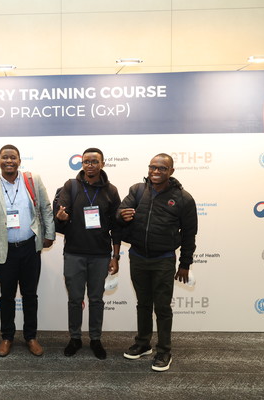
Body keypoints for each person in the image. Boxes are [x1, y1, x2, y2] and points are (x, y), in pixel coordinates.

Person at [117, 153, 198, 372]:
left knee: (162, 307)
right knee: (143, 304)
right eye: (152, 167)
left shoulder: (183, 198)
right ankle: (143, 343)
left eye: (162, 168)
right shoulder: (137, 190)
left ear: (171, 171)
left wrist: (185, 264)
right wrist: (122, 215)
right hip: (138, 257)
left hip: (163, 260)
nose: (156, 171)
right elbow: (118, 214)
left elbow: (189, 234)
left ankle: (164, 351)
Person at [0, 144, 55, 357]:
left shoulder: (32, 180)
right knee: (7, 296)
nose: (9, 161)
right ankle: (7, 337)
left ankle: (31, 336)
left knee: (30, 295)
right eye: (5, 157)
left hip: (30, 247)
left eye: (13, 157)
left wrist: (49, 233)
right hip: (5, 251)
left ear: (19, 161)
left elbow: (45, 207)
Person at [54, 148, 122, 359]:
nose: (90, 165)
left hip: (100, 254)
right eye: (86, 161)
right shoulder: (71, 186)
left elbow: (117, 226)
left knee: (96, 299)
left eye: (94, 161)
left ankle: (95, 339)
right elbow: (61, 213)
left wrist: (115, 256)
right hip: (74, 253)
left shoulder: (111, 191)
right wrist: (62, 217)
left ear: (102, 164)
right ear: (82, 164)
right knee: (75, 299)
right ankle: (75, 338)